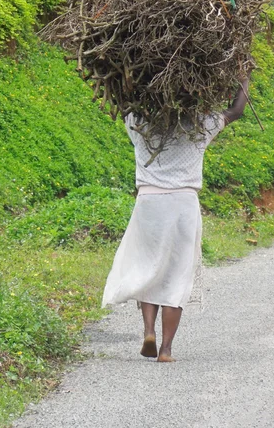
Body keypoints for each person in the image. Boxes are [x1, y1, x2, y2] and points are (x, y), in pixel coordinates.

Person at [102, 76, 250, 362]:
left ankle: (149, 332)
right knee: (177, 275)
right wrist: (243, 77)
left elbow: (124, 102)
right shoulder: (200, 125)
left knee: (149, 266)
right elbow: (236, 112)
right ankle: (167, 349)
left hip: (149, 202)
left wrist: (125, 79)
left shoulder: (139, 124)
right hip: (183, 204)